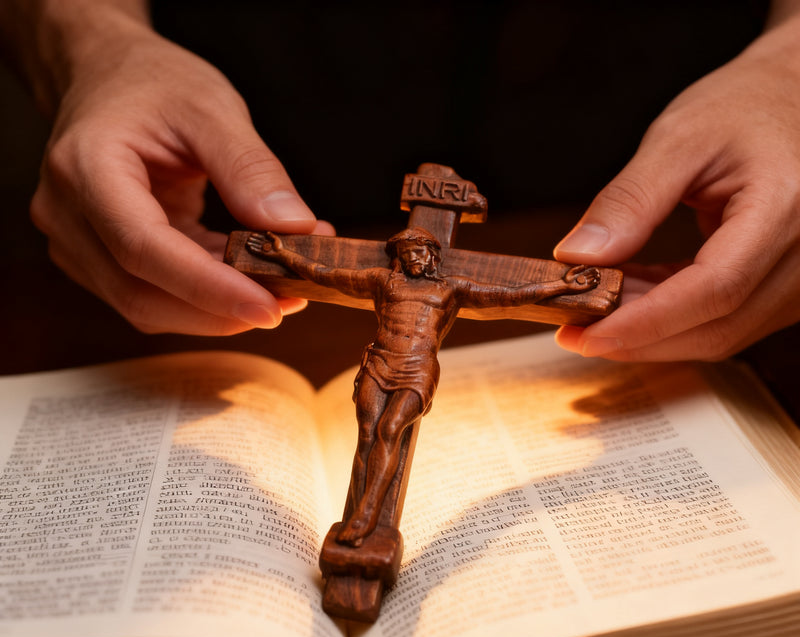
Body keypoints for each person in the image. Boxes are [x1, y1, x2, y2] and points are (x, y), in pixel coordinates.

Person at [1, 0, 799, 360]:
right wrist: (86, 36)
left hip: (658, 133)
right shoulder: (380, 264)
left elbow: (531, 286)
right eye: (414, 255)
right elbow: (299, 259)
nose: (419, 260)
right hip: (256, 108)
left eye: (424, 257)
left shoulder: (457, 275)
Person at [247, 228, 599, 544]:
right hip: (380, 360)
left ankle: (367, 517)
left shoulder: (450, 288)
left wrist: (563, 286)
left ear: (432, 255)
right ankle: (355, 514)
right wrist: (280, 254)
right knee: (367, 436)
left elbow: (507, 294)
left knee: (390, 431)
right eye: (406, 254)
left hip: (416, 368)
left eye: (419, 252)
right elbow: (325, 274)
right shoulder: (383, 281)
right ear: (398, 259)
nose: (412, 258)